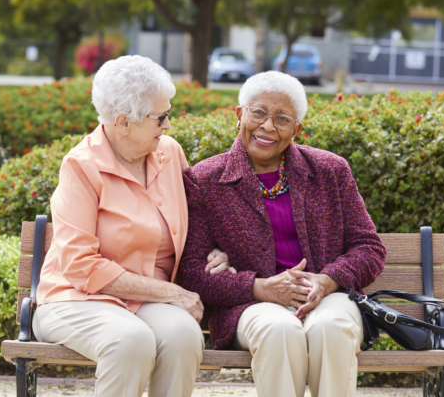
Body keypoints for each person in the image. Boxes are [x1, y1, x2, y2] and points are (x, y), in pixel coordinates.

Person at [178, 71, 387, 397]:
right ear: (239, 115)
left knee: (330, 329)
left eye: (282, 118)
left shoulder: (330, 170)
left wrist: (327, 280)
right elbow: (191, 274)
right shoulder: (206, 180)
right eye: (258, 112)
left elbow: (369, 248)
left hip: (327, 298)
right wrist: (259, 287)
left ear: (296, 130)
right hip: (251, 305)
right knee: (280, 329)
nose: (268, 126)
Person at [32, 55, 230, 397]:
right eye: (161, 117)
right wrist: (171, 292)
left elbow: (196, 223)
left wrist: (214, 251)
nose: (168, 126)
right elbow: (79, 267)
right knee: (130, 340)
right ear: (123, 122)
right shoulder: (81, 167)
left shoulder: (169, 153)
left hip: (145, 301)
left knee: (184, 335)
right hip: (77, 299)